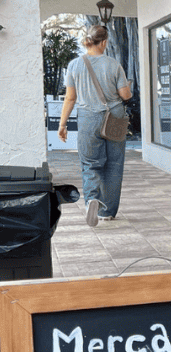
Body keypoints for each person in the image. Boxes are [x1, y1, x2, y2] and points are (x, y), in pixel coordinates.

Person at [58, 24, 132, 227]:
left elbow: (70, 98)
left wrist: (62, 124)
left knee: (91, 163)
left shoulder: (74, 65)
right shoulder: (114, 65)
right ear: (105, 42)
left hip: (88, 119)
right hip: (114, 117)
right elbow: (125, 95)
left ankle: (91, 199)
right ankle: (107, 212)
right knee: (114, 165)